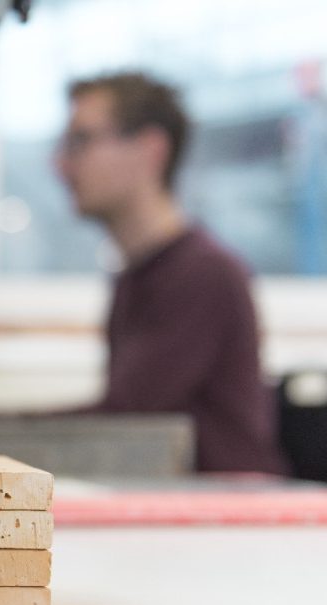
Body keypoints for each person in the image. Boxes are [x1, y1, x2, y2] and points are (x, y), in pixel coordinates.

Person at [56, 72, 287, 473]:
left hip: (231, 518)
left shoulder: (203, 275)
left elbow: (123, 421)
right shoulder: (138, 276)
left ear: (150, 149)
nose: (61, 164)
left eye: (82, 140)